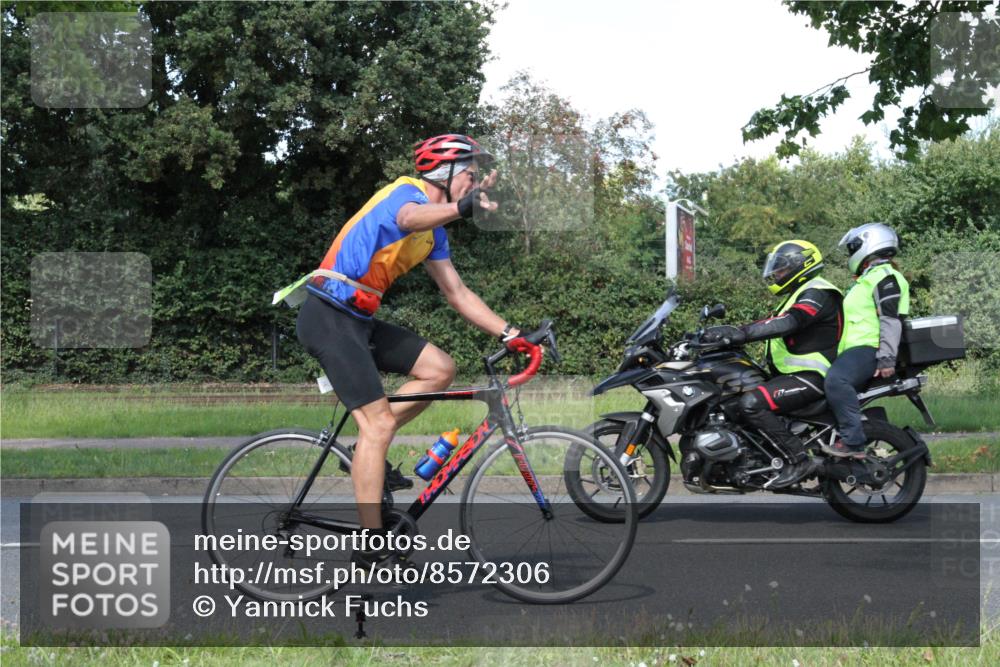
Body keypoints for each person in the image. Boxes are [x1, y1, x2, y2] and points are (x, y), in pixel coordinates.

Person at [281, 134, 521, 564]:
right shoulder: (404, 193)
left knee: (439, 369)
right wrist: (460, 209)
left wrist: (510, 333)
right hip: (328, 315)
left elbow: (457, 293)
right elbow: (410, 218)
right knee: (377, 427)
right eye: (470, 174)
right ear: (445, 175)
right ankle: (370, 543)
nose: (475, 181)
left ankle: (362, 456)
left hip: (358, 320)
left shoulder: (436, 235)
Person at [702, 240, 843, 488]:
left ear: (802, 265)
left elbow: (789, 322)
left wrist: (740, 333)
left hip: (812, 377)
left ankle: (799, 460)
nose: (776, 273)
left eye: (782, 267)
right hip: (795, 375)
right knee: (737, 400)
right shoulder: (800, 293)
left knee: (752, 403)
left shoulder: (818, 292)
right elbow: (778, 323)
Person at [822, 222, 909, 459]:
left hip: (870, 348)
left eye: (853, 248)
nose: (851, 255)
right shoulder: (868, 278)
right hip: (857, 349)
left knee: (837, 381)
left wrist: (886, 358)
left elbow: (891, 319)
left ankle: (853, 442)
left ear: (869, 244)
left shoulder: (885, 276)